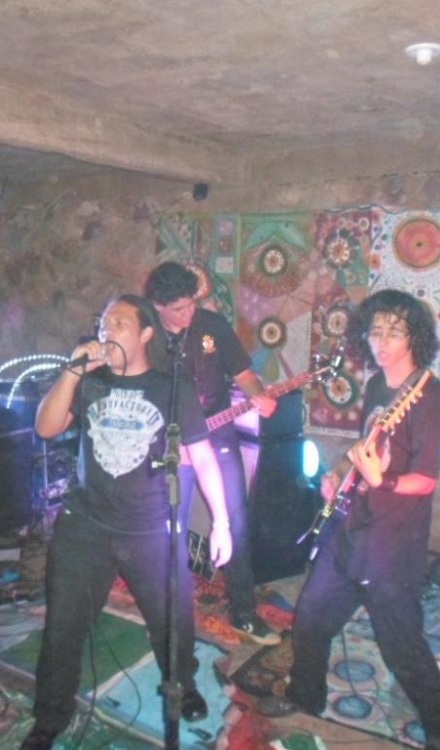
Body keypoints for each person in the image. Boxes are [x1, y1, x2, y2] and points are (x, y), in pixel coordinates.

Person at [20, 294, 233, 750]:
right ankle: (50, 716)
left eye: (118, 323)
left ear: (145, 334)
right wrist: (71, 371)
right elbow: (46, 427)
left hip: (151, 527)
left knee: (173, 619)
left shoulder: (171, 387)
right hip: (86, 525)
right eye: (103, 323)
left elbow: (202, 457)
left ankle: (182, 684)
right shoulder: (88, 382)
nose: (106, 331)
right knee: (63, 626)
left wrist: (222, 523)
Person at [258, 289, 440, 750]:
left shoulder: (429, 398)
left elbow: (425, 480)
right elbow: (364, 451)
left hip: (391, 541)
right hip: (350, 527)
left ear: (415, 337)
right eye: (376, 331)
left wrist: (381, 480)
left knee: (400, 644)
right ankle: (305, 695)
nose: (382, 342)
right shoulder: (375, 387)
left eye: (395, 332)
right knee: (311, 617)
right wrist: (338, 473)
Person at [144, 261, 281, 646]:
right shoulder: (147, 336)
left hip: (217, 434)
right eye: (178, 309)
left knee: (235, 519)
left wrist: (259, 395)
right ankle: (168, 611)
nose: (188, 314)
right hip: (171, 443)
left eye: (191, 303)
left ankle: (243, 612)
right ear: (157, 306)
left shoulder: (212, 326)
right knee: (170, 524)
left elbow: (244, 374)